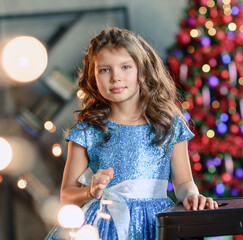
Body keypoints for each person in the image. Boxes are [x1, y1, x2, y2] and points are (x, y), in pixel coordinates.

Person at [45, 27, 218, 240]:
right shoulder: (87, 130)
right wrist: (91, 191)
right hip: (101, 228)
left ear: (142, 71)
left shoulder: (168, 124)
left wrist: (191, 195)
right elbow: (66, 197)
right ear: (93, 76)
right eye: (104, 70)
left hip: (155, 225)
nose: (115, 77)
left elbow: (183, 182)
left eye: (125, 67)